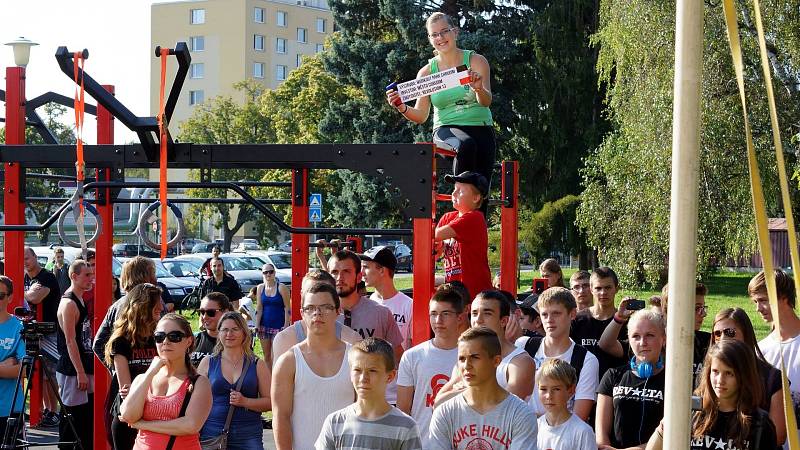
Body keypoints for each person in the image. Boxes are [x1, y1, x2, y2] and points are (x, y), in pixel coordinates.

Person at [386, 12, 496, 205]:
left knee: (481, 192)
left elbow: (486, 101)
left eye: (444, 31)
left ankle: (475, 229)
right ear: (429, 39)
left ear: (455, 32)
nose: (440, 38)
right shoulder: (427, 72)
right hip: (447, 129)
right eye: (434, 34)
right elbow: (421, 116)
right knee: (467, 145)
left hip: (481, 126)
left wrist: (478, 88)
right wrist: (401, 107)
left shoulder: (476, 61)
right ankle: (458, 203)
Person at [646, 340, 778, 450]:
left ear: (743, 375)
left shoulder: (759, 423)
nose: (720, 380)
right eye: (715, 372)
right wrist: (666, 423)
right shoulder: (692, 412)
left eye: (729, 373)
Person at [272, 283, 355, 450]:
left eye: (325, 307)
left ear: (337, 311)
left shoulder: (355, 357)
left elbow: (365, 412)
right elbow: (281, 417)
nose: (317, 313)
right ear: (302, 313)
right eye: (310, 308)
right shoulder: (288, 362)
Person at [428, 327, 538, 449]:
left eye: (475, 357)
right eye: (462, 359)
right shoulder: (445, 413)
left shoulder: (520, 414)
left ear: (496, 361)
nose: (466, 366)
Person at [119, 314, 212, 449]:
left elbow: (190, 425)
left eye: (174, 336)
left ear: (189, 341)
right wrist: (150, 373)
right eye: (159, 337)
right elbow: (128, 415)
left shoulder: (199, 383)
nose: (165, 342)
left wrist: (143, 424)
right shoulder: (143, 379)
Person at [316, 338, 422, 449]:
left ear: (390, 376)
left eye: (372, 371)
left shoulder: (406, 427)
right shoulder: (335, 423)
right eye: (357, 370)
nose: (363, 378)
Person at [436, 290, 536, 403]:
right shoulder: (466, 360)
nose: (478, 320)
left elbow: (504, 407)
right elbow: (438, 403)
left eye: (487, 313)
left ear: (503, 321)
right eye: (474, 313)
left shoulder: (520, 362)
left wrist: (466, 390)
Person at [397, 289, 465, 446]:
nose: (438, 320)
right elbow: (402, 411)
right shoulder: (412, 356)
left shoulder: (473, 356)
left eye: (446, 314)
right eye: (433, 314)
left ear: (460, 317)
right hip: (422, 443)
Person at [711, 307, 786, 445]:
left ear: (746, 334)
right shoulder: (709, 374)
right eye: (717, 334)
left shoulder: (771, 377)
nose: (723, 339)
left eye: (730, 332)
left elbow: (779, 435)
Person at [522, 287, 599, 421]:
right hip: (521, 436)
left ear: (572, 314)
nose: (549, 320)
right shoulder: (524, 345)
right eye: (544, 314)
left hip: (561, 437)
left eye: (556, 313)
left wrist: (525, 420)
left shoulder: (586, 360)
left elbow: (578, 419)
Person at [198, 312, 270, 450]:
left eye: (235, 329)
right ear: (219, 333)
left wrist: (246, 402)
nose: (229, 334)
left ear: (244, 333)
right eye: (224, 329)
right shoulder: (207, 362)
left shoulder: (257, 364)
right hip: (212, 434)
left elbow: (271, 402)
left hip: (248, 436)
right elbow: (195, 401)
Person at [596, 309, 667, 449]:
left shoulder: (672, 382)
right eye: (636, 336)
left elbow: (669, 434)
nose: (643, 342)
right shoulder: (613, 375)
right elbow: (601, 434)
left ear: (663, 338)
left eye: (650, 335)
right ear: (629, 339)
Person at [104, 283, 163, 450]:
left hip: (155, 414)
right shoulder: (121, 341)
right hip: (127, 416)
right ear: (143, 306)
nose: (161, 306)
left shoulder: (160, 336)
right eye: (156, 304)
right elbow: (126, 389)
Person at [270, 269, 363, 365]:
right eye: (312, 291)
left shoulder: (352, 339)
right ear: (302, 295)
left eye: (324, 293)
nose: (318, 298)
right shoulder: (285, 340)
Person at [750, 269, 800, 448]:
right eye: (755, 302)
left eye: (763, 300)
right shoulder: (761, 350)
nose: (758, 308)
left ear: (784, 297)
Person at [328, 250, 404, 359]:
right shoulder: (320, 315)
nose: (340, 277)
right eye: (334, 272)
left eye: (346, 271)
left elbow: (398, 359)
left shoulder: (381, 313)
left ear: (359, 277)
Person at [435, 171, 493, 301]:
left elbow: (435, 235)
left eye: (460, 191)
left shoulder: (475, 218)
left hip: (476, 295)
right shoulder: (447, 217)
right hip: (456, 294)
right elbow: (434, 250)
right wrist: (436, 247)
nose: (454, 194)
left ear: (476, 198)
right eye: (454, 189)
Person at [56, 259, 96, 449]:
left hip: (83, 363)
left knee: (86, 415)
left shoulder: (80, 299)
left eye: (92, 274)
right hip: (72, 368)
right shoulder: (69, 303)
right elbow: (70, 340)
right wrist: (80, 371)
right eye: (87, 275)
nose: (91, 278)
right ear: (74, 276)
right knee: (72, 415)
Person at [94, 256, 158, 368]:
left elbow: (98, 344)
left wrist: (117, 368)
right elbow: (99, 344)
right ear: (144, 276)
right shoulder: (156, 303)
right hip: (151, 376)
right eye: (153, 273)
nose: (155, 278)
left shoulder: (116, 306)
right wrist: (117, 367)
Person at [23, 246, 62, 426]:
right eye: (22, 258)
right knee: (29, 372)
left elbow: (36, 299)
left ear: (35, 257)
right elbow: (29, 296)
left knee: (48, 374)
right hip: (28, 331)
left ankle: (53, 412)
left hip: (48, 331)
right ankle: (36, 410)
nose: (25, 261)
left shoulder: (47, 277)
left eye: (27, 258)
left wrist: (26, 295)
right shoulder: (23, 277)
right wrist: (28, 294)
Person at [570, 267, 627, 380]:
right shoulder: (577, 320)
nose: (603, 293)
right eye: (598, 288)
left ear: (616, 288)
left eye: (608, 288)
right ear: (591, 289)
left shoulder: (626, 321)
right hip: (583, 384)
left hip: (616, 384)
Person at [536, 359, 596, 450]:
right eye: (543, 389)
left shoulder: (582, 432)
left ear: (571, 390)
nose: (549, 396)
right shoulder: (534, 428)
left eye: (556, 389)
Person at [361, 246, 413, 350]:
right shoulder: (365, 304)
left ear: (382, 271)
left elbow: (415, 348)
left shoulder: (409, 305)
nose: (361, 272)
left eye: (366, 267)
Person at [659, 282, 710, 378]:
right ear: (675, 309)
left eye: (703, 307)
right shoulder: (653, 343)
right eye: (697, 308)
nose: (703, 314)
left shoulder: (708, 342)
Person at [0, 276, 25, 439]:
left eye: (0, 295)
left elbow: (25, 369)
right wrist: (7, 365)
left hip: (10, 409)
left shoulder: (19, 327)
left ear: (10, 298)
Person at [255, 263, 290, 369]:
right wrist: (257, 325)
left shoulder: (281, 287)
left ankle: (276, 379)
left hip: (278, 326)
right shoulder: (260, 288)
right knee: (266, 356)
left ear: (274, 273)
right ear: (262, 274)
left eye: (271, 272)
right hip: (264, 326)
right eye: (265, 272)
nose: (268, 274)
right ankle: (269, 380)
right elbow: (259, 308)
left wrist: (286, 325)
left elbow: (287, 308)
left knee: (276, 355)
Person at [191, 292, 234, 366]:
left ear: (226, 312)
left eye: (211, 312)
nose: (205, 317)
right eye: (202, 312)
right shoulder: (194, 340)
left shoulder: (236, 341)